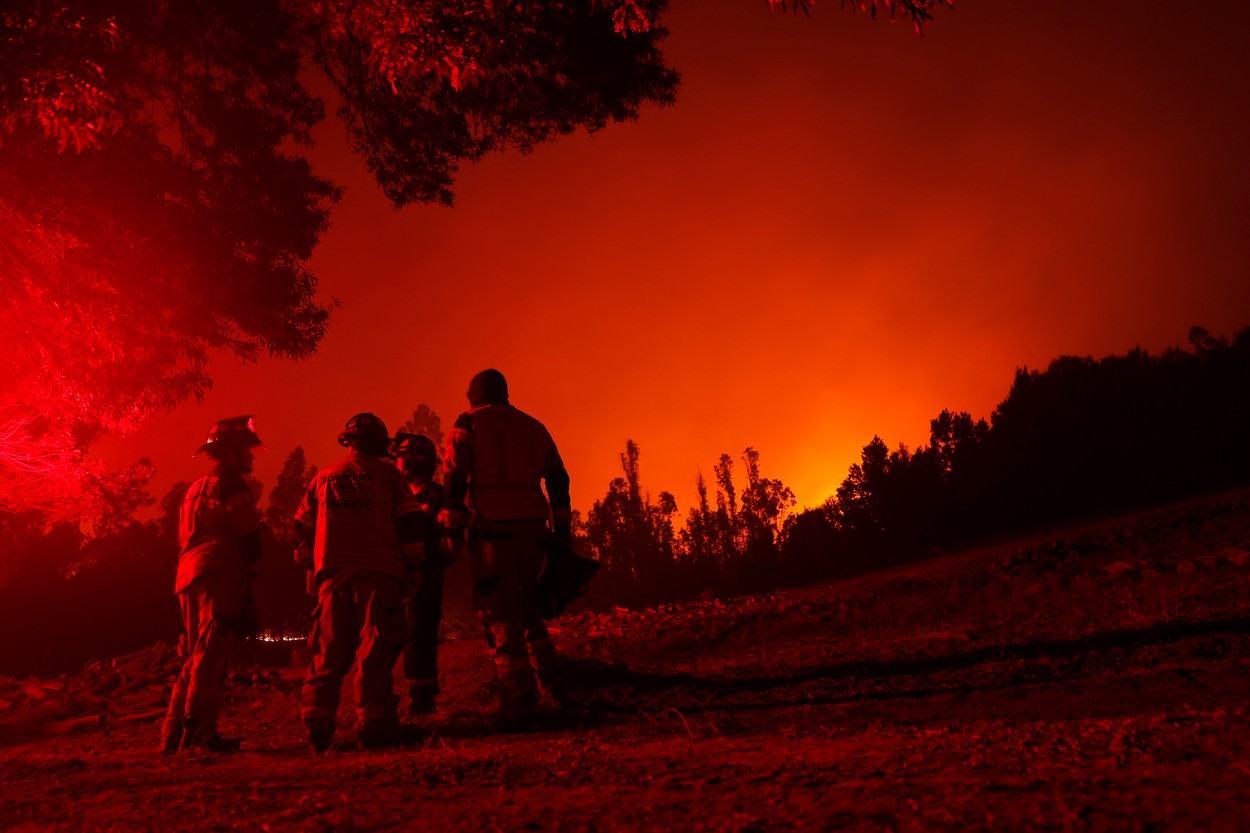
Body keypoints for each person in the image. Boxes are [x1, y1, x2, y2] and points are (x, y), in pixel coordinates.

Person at [440, 369, 573, 727]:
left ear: (475, 395)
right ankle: (554, 685)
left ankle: (518, 698)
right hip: (533, 529)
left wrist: (451, 528)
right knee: (528, 607)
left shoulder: (468, 423)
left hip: (492, 530)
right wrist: (562, 531)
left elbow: (454, 475)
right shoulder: (533, 426)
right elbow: (559, 478)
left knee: (499, 612)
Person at [294, 413, 424, 752]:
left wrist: (311, 565)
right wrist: (415, 566)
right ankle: (373, 724)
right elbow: (410, 523)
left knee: (328, 648)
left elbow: (300, 527)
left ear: (348, 442)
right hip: (379, 572)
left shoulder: (323, 477)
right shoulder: (390, 477)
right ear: (380, 445)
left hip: (332, 575)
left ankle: (318, 724)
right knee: (375, 649)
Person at [161, 416, 264, 754]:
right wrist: (252, 577)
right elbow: (248, 536)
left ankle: (172, 736)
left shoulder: (194, 487)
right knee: (212, 653)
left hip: (187, 575)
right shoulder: (232, 484)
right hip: (219, 571)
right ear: (233, 452)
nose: (251, 456)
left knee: (193, 655)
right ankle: (200, 734)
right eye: (247, 450)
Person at [391, 432, 447, 716]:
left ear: (411, 465)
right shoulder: (396, 497)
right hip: (393, 573)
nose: (396, 466)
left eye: (399, 460)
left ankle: (421, 697)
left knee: (419, 633)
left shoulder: (436, 496)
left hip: (424, 575)